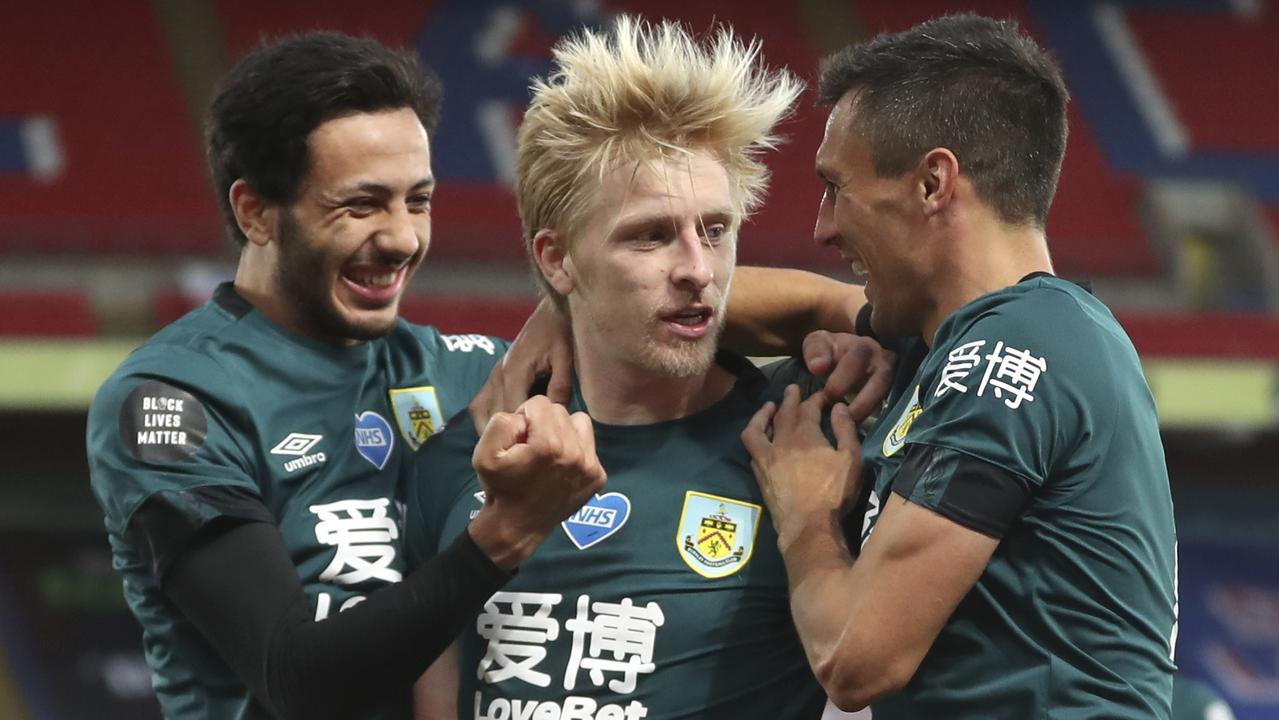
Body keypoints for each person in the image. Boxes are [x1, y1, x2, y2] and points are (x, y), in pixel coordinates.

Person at [86, 32, 607, 720]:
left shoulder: (472, 374)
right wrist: (503, 537)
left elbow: (673, 311)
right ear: (256, 212)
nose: (401, 239)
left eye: (416, 201)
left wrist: (568, 306)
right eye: (361, 205)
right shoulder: (173, 401)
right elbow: (295, 680)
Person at [402, 16, 870, 719]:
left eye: (716, 230)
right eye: (650, 236)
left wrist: (837, 311)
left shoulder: (811, 434)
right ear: (556, 258)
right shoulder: (462, 457)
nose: (698, 270)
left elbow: (945, 321)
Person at [741, 13, 1178, 719]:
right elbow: (777, 303)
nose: (821, 227)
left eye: (835, 187)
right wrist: (571, 310)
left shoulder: (1010, 351)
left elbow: (856, 657)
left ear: (930, 183)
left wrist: (805, 513)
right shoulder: (998, 338)